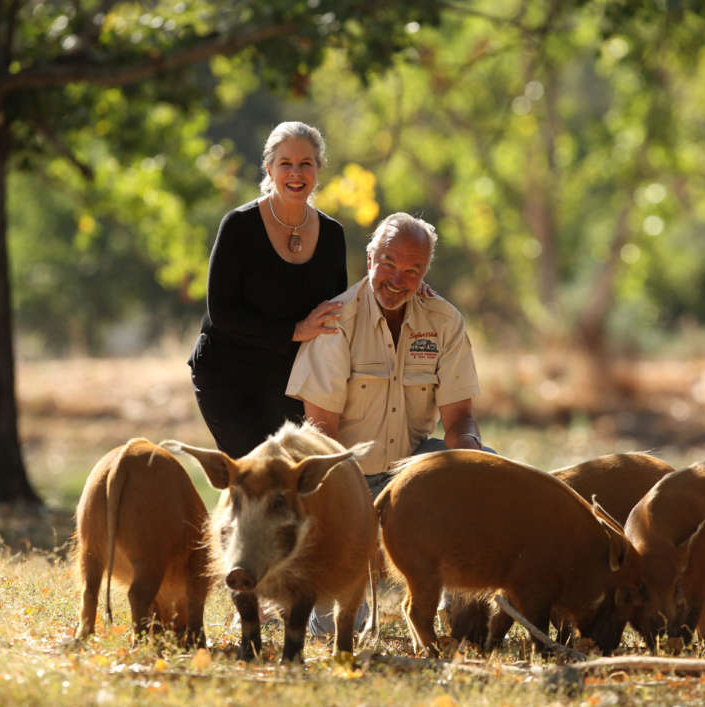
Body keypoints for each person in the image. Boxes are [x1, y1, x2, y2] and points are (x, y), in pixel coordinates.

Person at [286, 211, 489, 499]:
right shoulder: (336, 321)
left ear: (423, 275)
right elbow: (321, 435)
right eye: (388, 263)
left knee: (494, 468)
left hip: (414, 471)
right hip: (348, 476)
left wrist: (471, 451)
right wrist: (348, 499)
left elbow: (459, 420)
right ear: (370, 259)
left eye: (411, 271)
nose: (396, 279)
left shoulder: (444, 321)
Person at [187, 121, 347, 458]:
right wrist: (296, 330)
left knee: (290, 483)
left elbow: (338, 311)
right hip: (228, 375)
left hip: (291, 383)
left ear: (318, 169)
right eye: (285, 163)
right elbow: (222, 313)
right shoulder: (239, 226)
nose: (296, 172)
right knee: (255, 474)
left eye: (306, 163)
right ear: (269, 169)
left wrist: (409, 292)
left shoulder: (332, 235)